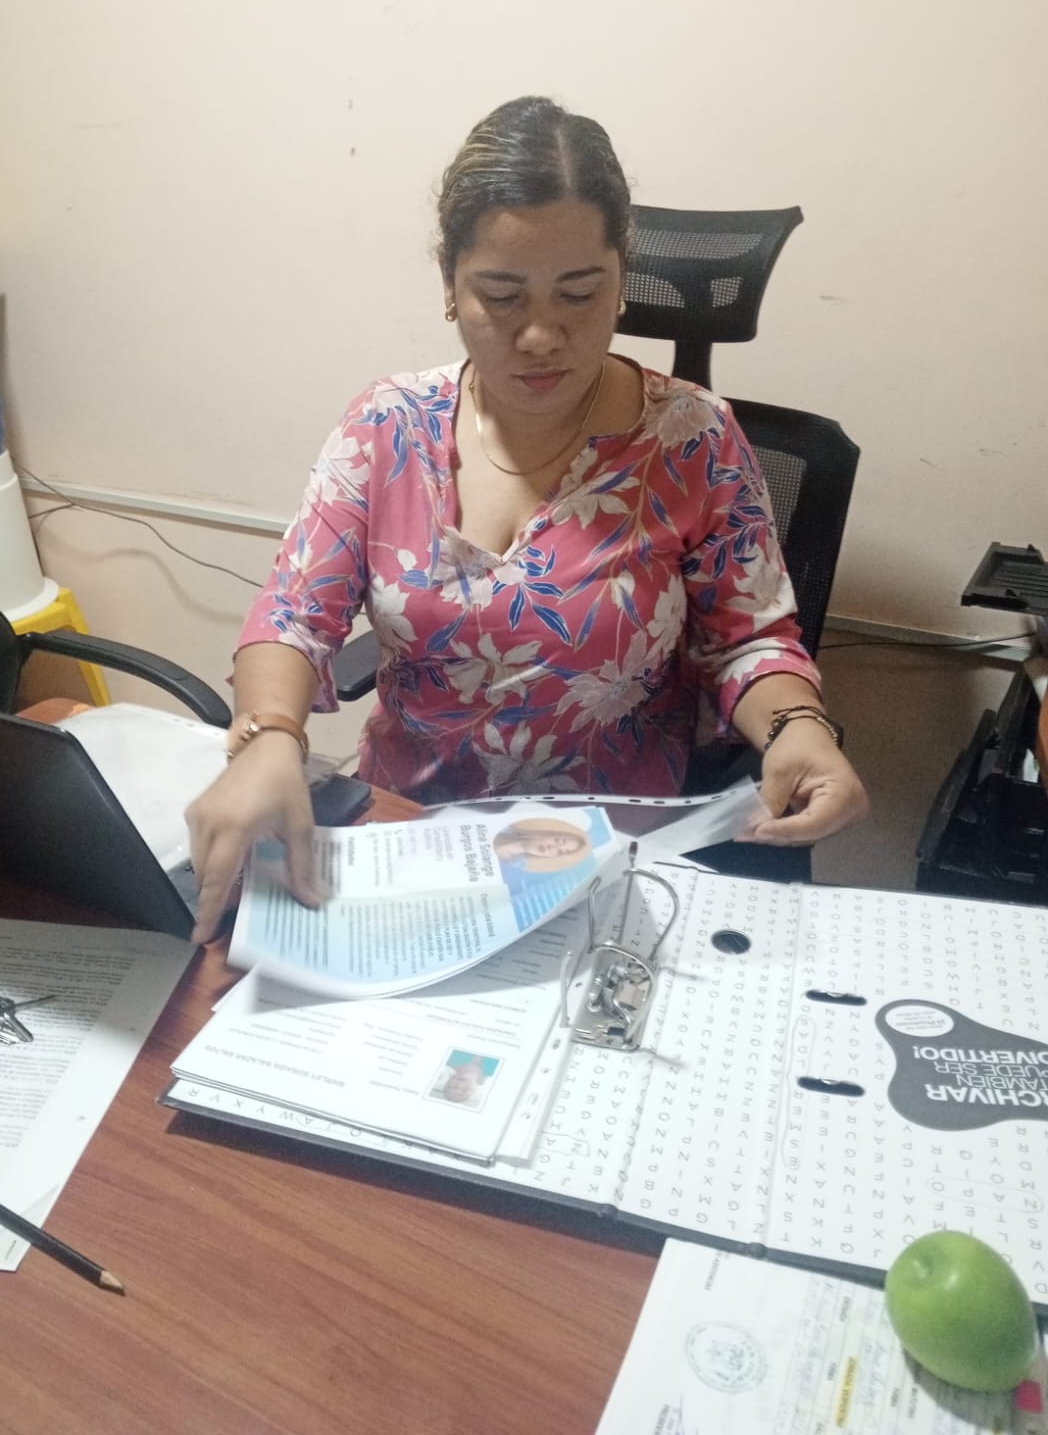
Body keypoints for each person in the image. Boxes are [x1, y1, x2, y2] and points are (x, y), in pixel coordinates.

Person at [186, 96, 868, 944]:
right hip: (409, 842)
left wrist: (799, 727)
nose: (542, 335)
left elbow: (749, 640)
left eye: (580, 293)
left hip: (606, 858)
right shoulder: (388, 425)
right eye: (502, 296)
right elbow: (293, 613)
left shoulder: (694, 439)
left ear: (622, 280)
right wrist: (269, 736)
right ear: (450, 286)